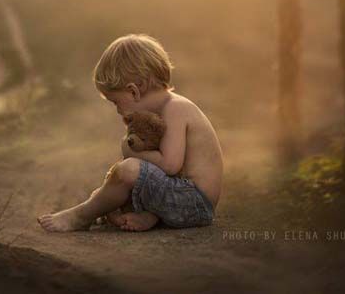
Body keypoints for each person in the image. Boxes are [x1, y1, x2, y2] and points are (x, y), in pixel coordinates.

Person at [37, 33, 223, 232]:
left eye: (116, 102)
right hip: (181, 198)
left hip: (194, 204)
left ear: (134, 91)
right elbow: (165, 172)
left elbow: (169, 165)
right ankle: (148, 217)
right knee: (108, 192)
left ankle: (81, 216)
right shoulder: (160, 111)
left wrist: (131, 152)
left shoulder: (175, 108)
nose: (118, 110)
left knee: (128, 170)